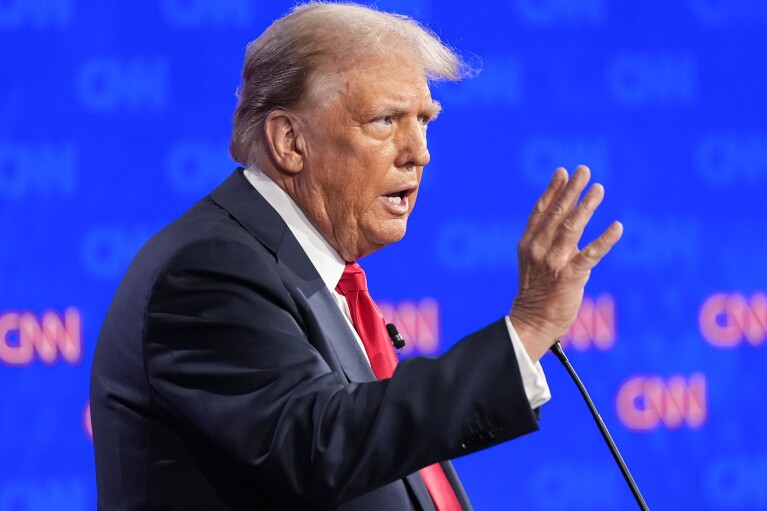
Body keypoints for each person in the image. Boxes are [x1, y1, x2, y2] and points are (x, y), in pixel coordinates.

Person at [90, 2, 623, 510]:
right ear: (289, 141)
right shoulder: (208, 270)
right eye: (386, 121)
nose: (420, 153)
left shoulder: (308, 273)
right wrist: (526, 330)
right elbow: (320, 443)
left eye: (425, 121)